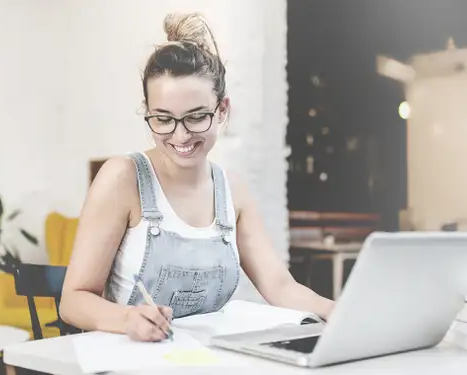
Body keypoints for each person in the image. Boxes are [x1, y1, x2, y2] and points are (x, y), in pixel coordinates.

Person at [59, 12, 335, 342]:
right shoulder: (122, 179)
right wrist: (127, 319)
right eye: (163, 119)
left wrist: (338, 311)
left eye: (196, 117)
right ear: (147, 110)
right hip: (130, 357)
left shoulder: (233, 191)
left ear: (222, 110)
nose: (180, 135)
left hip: (205, 359)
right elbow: (73, 300)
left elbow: (279, 286)